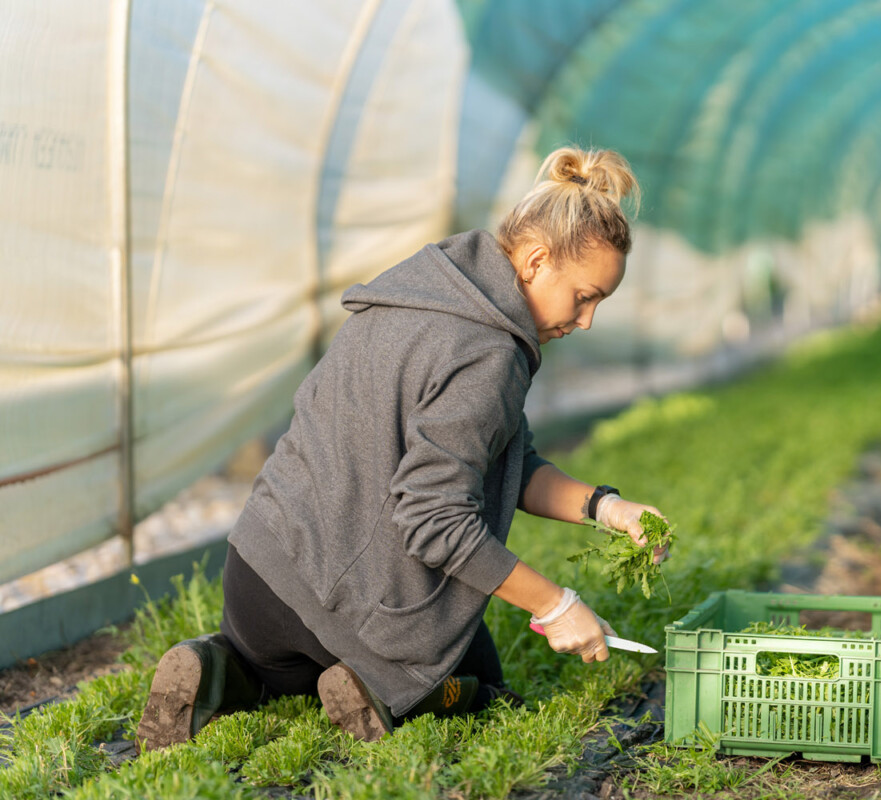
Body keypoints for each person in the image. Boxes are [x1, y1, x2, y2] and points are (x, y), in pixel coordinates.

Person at [136, 146, 668, 750]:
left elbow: (504, 463)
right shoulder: (488, 356)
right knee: (475, 679)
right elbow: (434, 521)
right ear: (537, 261)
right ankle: (375, 687)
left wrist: (607, 507)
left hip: (257, 576)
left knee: (279, 668)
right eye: (585, 296)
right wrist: (556, 604)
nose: (588, 320)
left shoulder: (423, 291)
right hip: (354, 606)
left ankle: (226, 668)